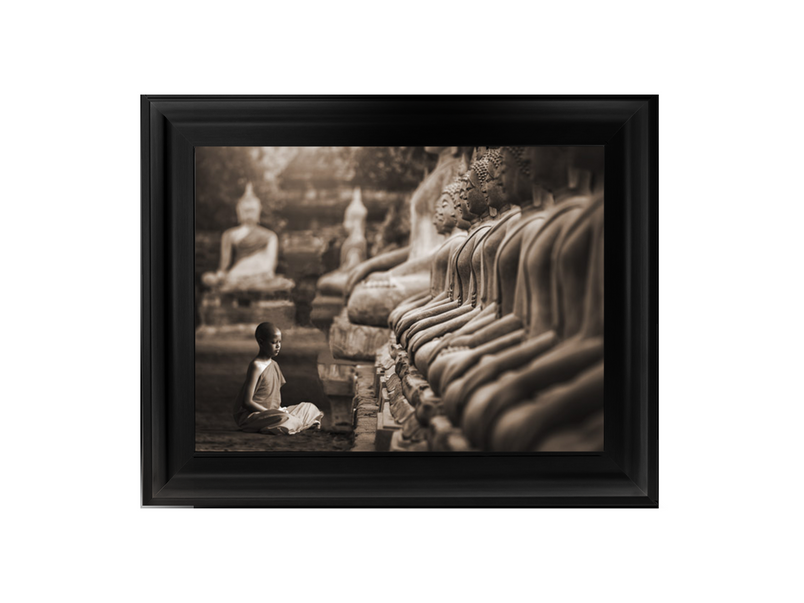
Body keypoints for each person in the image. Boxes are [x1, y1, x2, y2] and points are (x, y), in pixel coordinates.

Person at [232, 323, 323, 435]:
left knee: (310, 407)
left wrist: (279, 410)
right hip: (256, 415)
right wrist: (271, 413)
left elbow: (274, 399)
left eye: (279, 342)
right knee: (286, 419)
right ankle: (294, 423)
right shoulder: (256, 365)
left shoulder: (274, 364)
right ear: (261, 342)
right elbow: (247, 402)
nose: (278, 346)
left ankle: (293, 424)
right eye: (274, 342)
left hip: (275, 413)